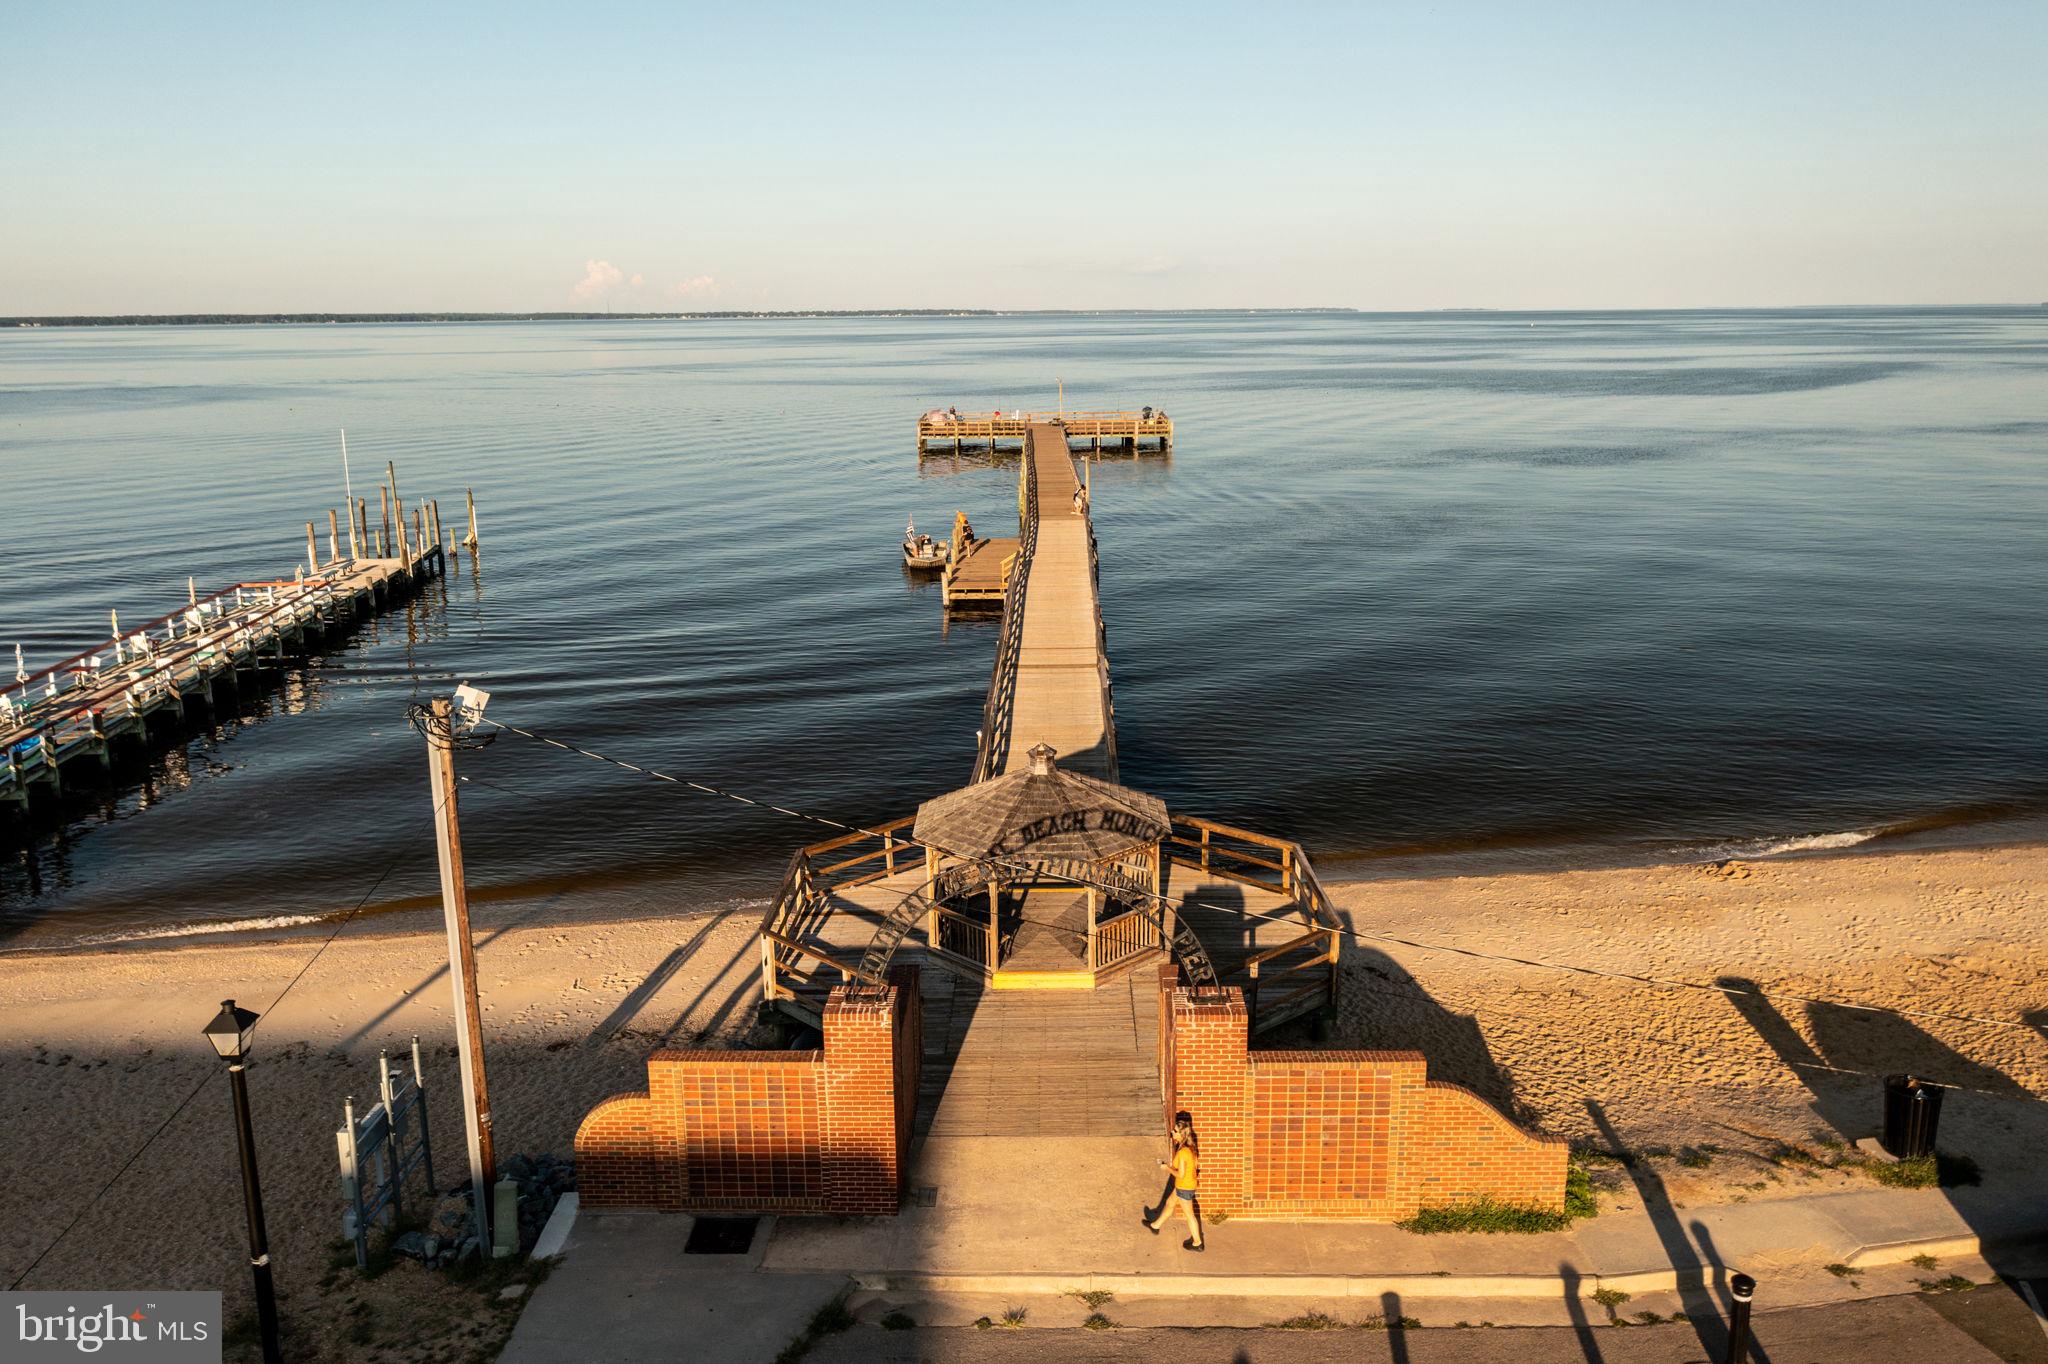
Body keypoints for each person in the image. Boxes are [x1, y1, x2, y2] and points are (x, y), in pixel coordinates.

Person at [1144, 1111, 1205, 1250]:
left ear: (1181, 1134)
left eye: (1175, 1131)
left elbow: (1180, 1174)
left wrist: (1166, 1168)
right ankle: (1155, 1226)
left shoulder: (1183, 1152)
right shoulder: (1190, 1147)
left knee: (1190, 1215)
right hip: (1184, 1185)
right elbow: (1195, 1166)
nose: (1173, 1132)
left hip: (1184, 1186)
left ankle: (1197, 1243)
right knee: (1170, 1203)